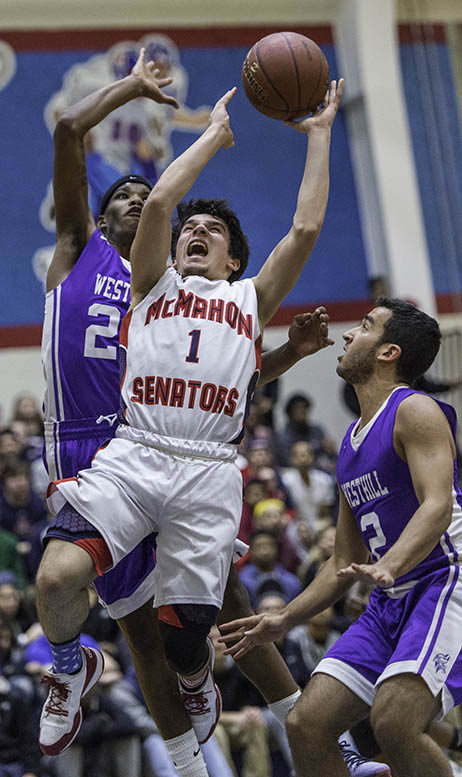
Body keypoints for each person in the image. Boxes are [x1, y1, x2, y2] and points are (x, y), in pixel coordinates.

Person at [35, 48, 341, 775]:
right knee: (80, 596)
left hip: (196, 461)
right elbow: (142, 185)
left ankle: (283, 723)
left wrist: (321, 132)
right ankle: (76, 669)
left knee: (183, 633)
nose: (147, 206)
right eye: (130, 202)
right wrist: (206, 131)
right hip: (116, 449)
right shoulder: (125, 270)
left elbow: (294, 244)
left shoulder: (232, 297)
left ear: (233, 257)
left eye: (212, 232)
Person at [220, 297, 462, 777]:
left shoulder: (414, 410)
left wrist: (390, 563)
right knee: (307, 723)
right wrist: (283, 619)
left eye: (366, 326)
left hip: (444, 584)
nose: (350, 334)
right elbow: (340, 561)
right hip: (389, 600)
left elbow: (437, 505)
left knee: (393, 721)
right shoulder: (350, 441)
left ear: (389, 352)